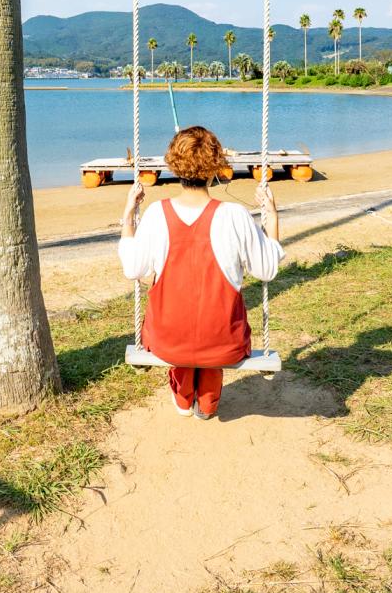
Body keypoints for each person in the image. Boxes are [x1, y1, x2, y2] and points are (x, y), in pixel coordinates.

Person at [118, 125, 284, 420]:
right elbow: (267, 269)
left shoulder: (156, 214)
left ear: (174, 166)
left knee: (180, 331)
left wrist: (128, 215)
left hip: (167, 341)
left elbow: (133, 268)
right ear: (215, 168)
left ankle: (183, 396)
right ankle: (207, 401)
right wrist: (271, 215)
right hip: (225, 342)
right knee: (210, 338)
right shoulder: (235, 216)